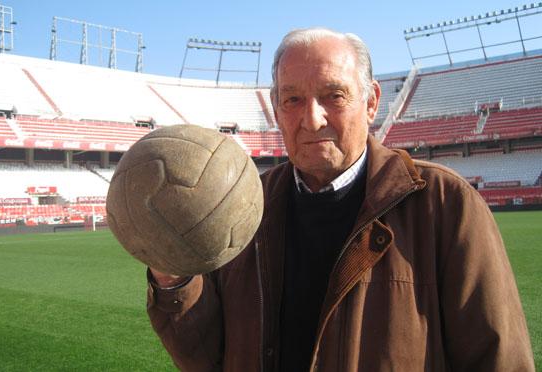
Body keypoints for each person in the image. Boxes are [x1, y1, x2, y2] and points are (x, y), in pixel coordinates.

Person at [147, 28, 534, 371]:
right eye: (292, 99)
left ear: (371, 102)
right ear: (276, 109)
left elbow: (498, 358)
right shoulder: (242, 206)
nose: (312, 119)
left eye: (334, 95)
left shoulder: (446, 204)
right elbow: (205, 357)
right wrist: (173, 278)